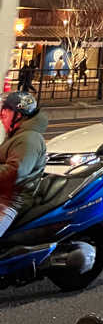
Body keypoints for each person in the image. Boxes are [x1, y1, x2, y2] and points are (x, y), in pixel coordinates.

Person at [0, 92, 48, 241]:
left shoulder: (29, 138)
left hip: (11, 201)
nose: (2, 118)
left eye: (5, 114)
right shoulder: (17, 135)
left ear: (18, 115)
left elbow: (15, 172)